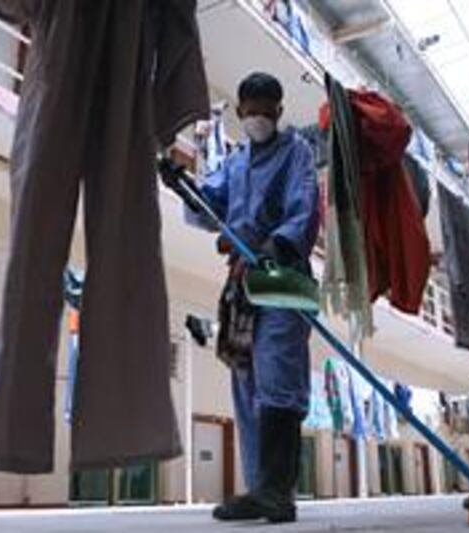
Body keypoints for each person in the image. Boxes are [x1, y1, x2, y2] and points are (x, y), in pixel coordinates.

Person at [194, 72, 319, 523]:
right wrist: (178, 179)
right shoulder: (236, 160)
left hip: (283, 275)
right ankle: (259, 487)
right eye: (251, 111)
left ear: (279, 111)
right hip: (244, 282)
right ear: (241, 110)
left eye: (267, 111)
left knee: (277, 375)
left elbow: (304, 207)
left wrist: (277, 244)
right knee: (246, 382)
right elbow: (207, 205)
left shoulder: (297, 152)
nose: (258, 119)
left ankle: (277, 492)